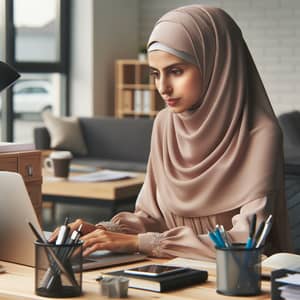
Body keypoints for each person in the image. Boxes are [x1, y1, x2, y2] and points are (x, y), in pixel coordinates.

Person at [50, 5, 291, 259]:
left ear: (216, 65)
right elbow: (151, 217)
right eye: (155, 74)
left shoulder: (260, 133)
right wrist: (101, 232)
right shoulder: (165, 124)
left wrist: (142, 242)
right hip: (171, 271)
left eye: (176, 71)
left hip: (240, 281)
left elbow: (248, 240)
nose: (163, 88)